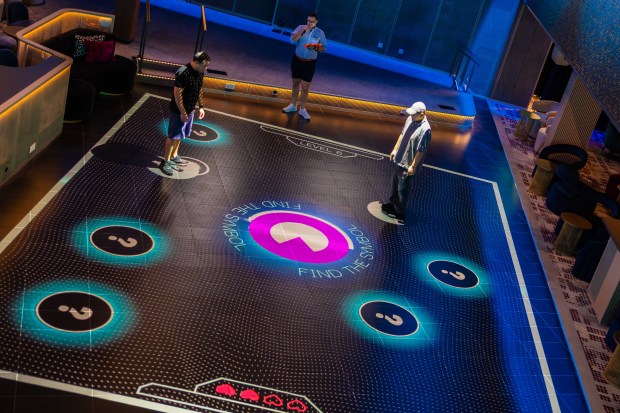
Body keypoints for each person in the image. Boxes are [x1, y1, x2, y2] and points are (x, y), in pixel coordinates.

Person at [159, 51, 210, 176]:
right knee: (173, 136)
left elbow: (199, 89)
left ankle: (174, 155)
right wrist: (182, 112)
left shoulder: (200, 72)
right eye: (204, 65)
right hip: (178, 110)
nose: (206, 68)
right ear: (196, 62)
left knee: (181, 134)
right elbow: (177, 94)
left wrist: (201, 106)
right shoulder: (183, 73)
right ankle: (165, 161)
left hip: (190, 109)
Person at [381, 102, 431, 222]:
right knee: (394, 185)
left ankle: (400, 211)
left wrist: (413, 166)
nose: (411, 116)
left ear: (422, 114)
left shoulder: (425, 129)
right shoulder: (410, 119)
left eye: (414, 114)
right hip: (399, 159)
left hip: (407, 165)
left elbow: (421, 150)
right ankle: (393, 204)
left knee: (403, 189)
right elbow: (402, 134)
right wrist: (395, 149)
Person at [281, 12, 327, 121]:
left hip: (310, 63)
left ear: (316, 22)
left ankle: (302, 109)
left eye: (312, 21)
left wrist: (314, 47)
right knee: (295, 83)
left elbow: (324, 48)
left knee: (305, 88)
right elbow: (292, 40)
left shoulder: (320, 33)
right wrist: (302, 31)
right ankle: (293, 105)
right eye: (308, 21)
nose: (309, 23)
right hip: (297, 60)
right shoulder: (300, 28)